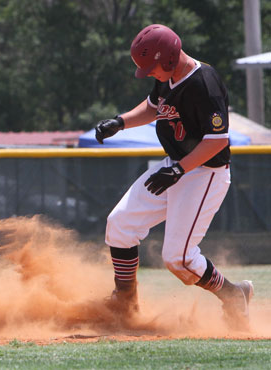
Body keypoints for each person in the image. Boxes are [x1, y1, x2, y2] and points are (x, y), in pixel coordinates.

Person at [95, 24, 253, 328]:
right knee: (120, 224)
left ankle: (233, 294)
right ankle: (125, 302)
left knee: (178, 259)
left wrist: (179, 170)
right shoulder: (168, 77)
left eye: (150, 68)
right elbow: (155, 107)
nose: (149, 74)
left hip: (205, 172)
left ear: (168, 59)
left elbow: (217, 140)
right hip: (175, 166)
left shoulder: (204, 83)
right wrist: (120, 122)